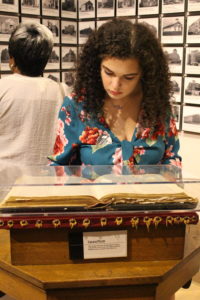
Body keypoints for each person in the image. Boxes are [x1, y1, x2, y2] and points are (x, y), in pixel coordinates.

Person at [49, 18, 181, 170]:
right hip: (93, 193)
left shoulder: (157, 106)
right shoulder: (77, 107)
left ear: (145, 74)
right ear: (96, 66)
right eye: (109, 73)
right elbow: (59, 166)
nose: (115, 85)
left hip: (148, 194)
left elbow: (171, 158)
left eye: (129, 77)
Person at [0, 22, 68, 165]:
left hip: (5, 181)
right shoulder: (62, 90)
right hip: (47, 180)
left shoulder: (3, 88)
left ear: (12, 59)